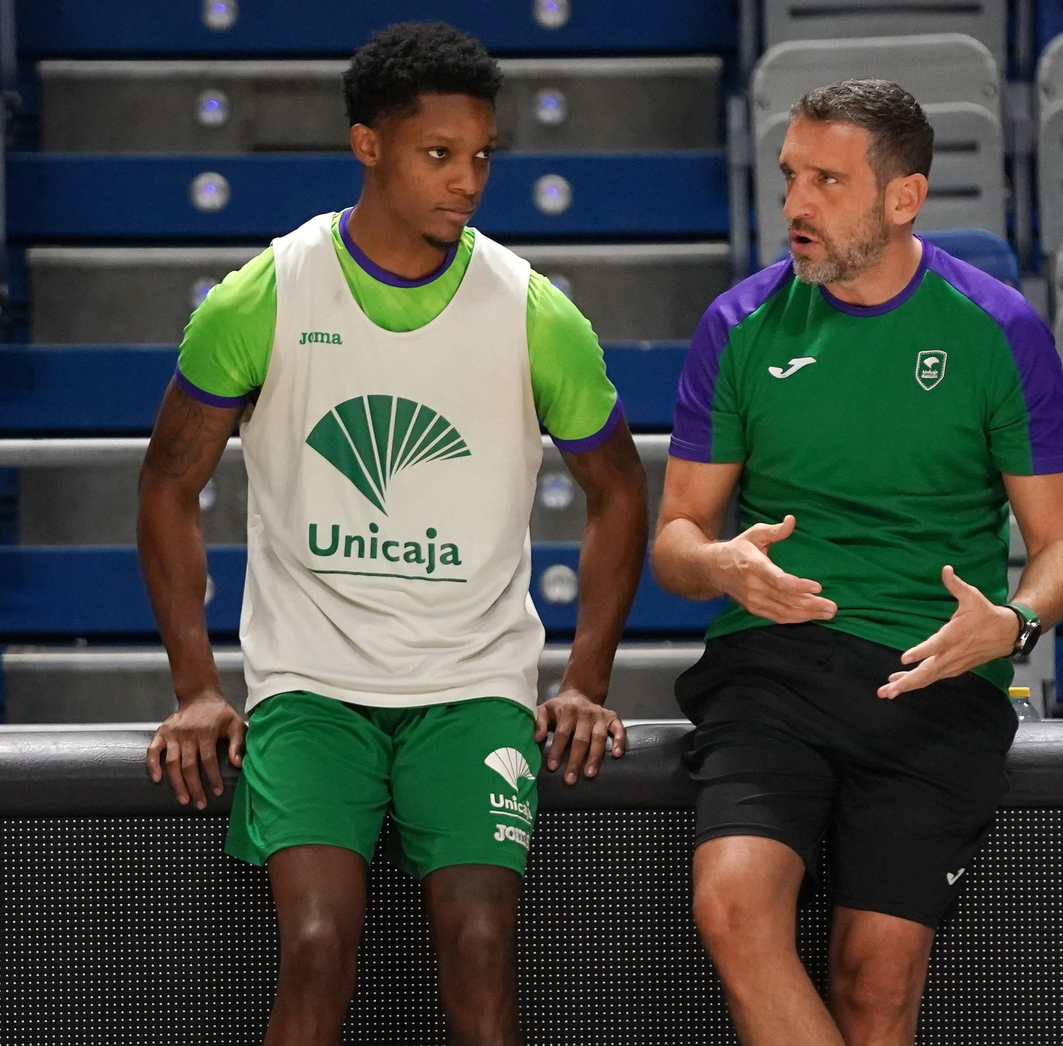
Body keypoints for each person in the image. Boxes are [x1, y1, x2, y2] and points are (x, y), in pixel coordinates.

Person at [137, 22, 648, 1046]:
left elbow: (620, 490)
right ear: (367, 145)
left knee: (481, 946)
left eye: (483, 156)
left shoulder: (534, 310)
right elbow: (166, 484)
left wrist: (585, 677)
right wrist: (196, 685)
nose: (467, 181)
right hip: (310, 684)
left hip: (472, 683)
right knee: (317, 943)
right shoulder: (265, 294)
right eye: (439, 154)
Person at [651, 79, 1063, 1046]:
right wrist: (721, 565)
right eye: (790, 178)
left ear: (904, 197)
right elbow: (675, 541)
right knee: (733, 905)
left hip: (935, 677)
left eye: (827, 181)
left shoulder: (997, 329)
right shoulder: (738, 324)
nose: (796, 205)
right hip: (773, 671)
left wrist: (1012, 623)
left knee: (875, 983)